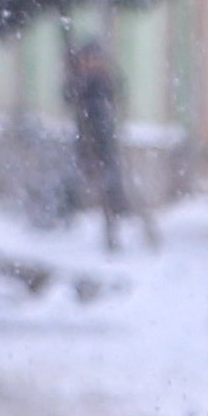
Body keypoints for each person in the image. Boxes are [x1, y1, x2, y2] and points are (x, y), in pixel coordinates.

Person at [64, 27, 135, 251]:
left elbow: (114, 96)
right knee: (88, 176)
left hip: (104, 137)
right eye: (87, 58)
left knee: (109, 180)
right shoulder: (78, 79)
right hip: (85, 137)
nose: (90, 62)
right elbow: (68, 97)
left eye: (94, 58)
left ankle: (113, 221)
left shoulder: (104, 80)